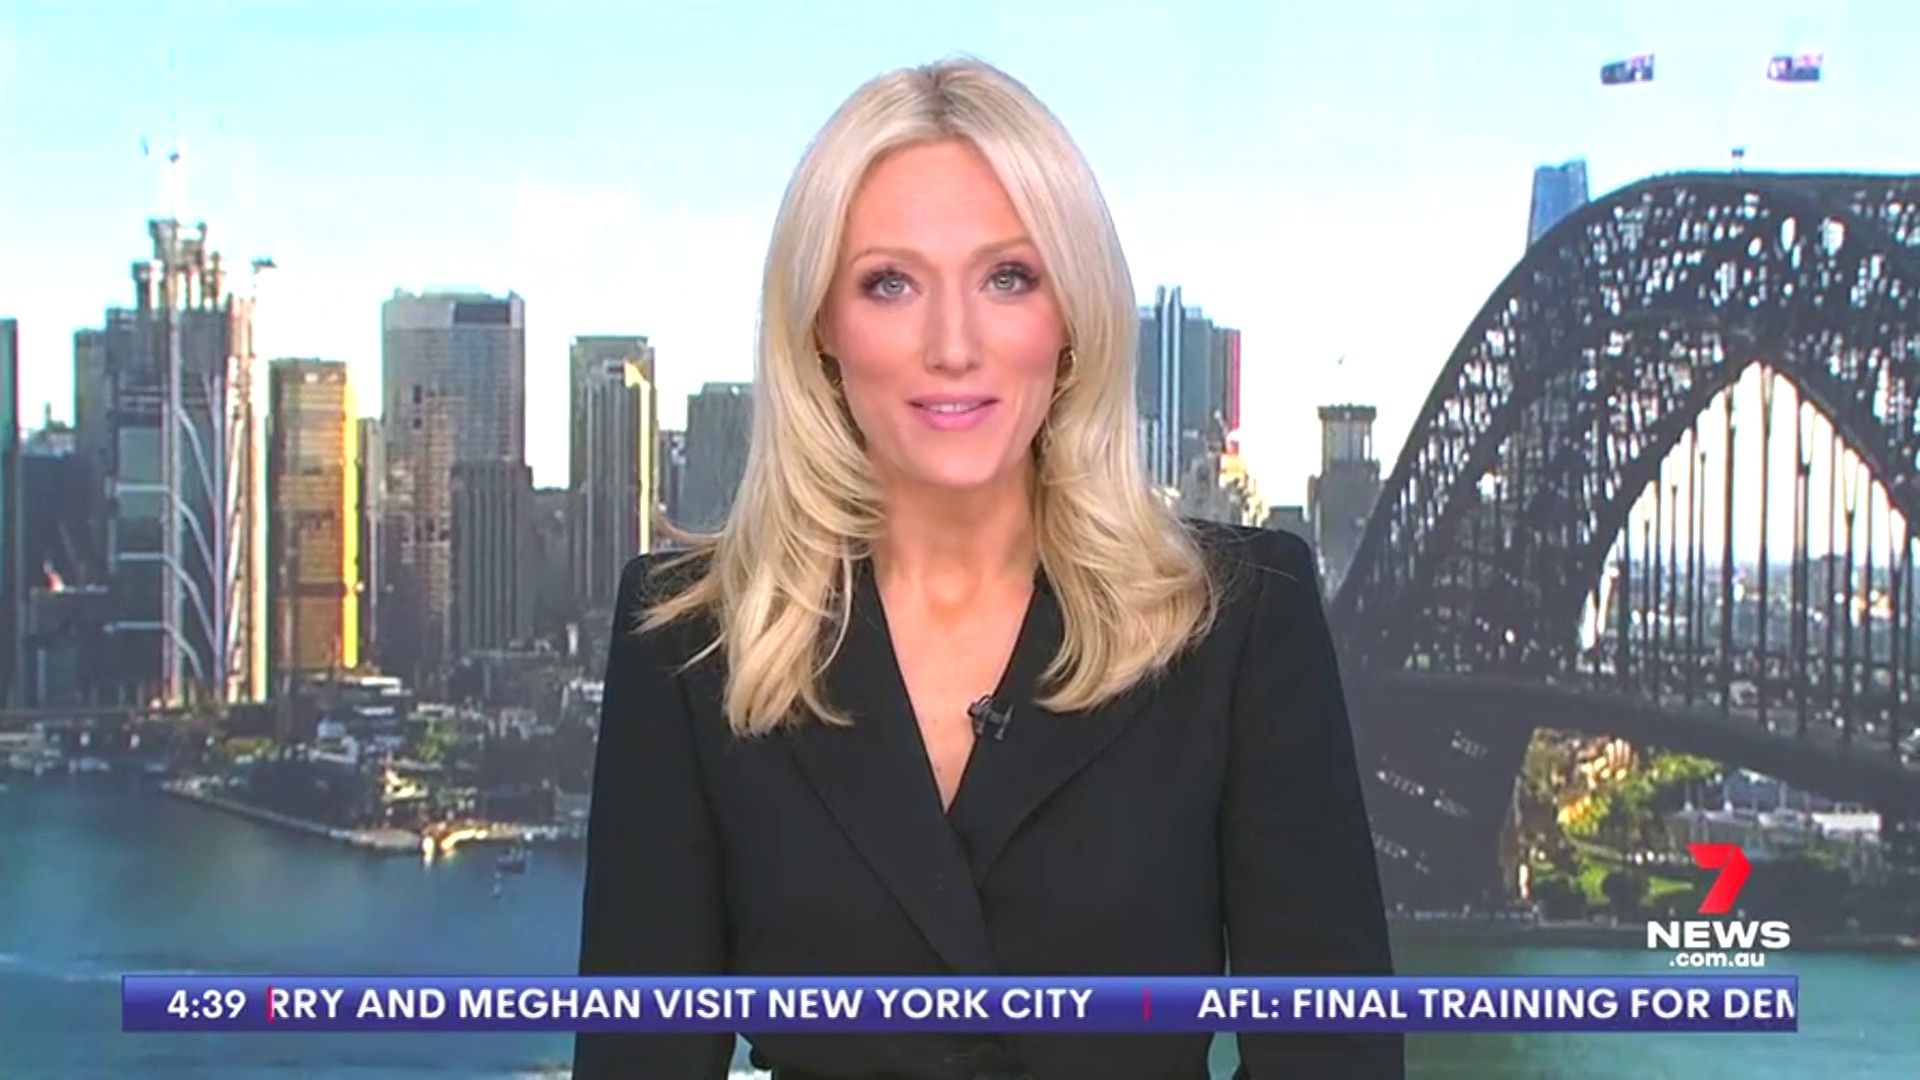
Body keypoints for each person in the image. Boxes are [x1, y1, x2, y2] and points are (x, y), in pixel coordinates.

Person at [574, 56, 1399, 1080]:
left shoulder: (1239, 619)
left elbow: (1333, 1055)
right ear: (822, 326)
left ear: (1073, 316)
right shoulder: (689, 638)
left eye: (1008, 278)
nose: (953, 345)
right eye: (890, 283)